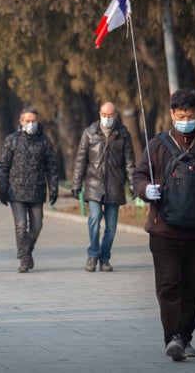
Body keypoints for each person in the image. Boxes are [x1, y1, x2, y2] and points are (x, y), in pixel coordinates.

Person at [132, 88, 195, 361]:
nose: (185, 119)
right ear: (171, 115)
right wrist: (145, 189)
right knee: (168, 284)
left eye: (190, 115)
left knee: (193, 288)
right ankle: (173, 337)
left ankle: (185, 336)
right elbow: (139, 174)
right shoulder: (157, 145)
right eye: (180, 115)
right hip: (163, 228)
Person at [71, 102, 136, 272]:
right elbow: (80, 160)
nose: (107, 118)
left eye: (110, 115)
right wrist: (76, 183)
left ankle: (105, 258)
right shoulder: (89, 133)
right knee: (94, 217)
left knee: (111, 226)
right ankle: (92, 255)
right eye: (104, 115)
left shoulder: (123, 135)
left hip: (114, 185)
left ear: (116, 115)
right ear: (100, 113)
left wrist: (133, 183)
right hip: (94, 184)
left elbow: (129, 162)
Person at [0, 106, 59, 273]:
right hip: (16, 191)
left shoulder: (44, 141)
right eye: (28, 121)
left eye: (34, 121)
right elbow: (3, 166)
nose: (31, 124)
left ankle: (26, 250)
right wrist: (2, 189)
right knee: (21, 224)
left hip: (37, 191)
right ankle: (24, 258)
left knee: (37, 226)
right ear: (21, 122)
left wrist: (53, 188)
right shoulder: (12, 140)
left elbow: (52, 166)